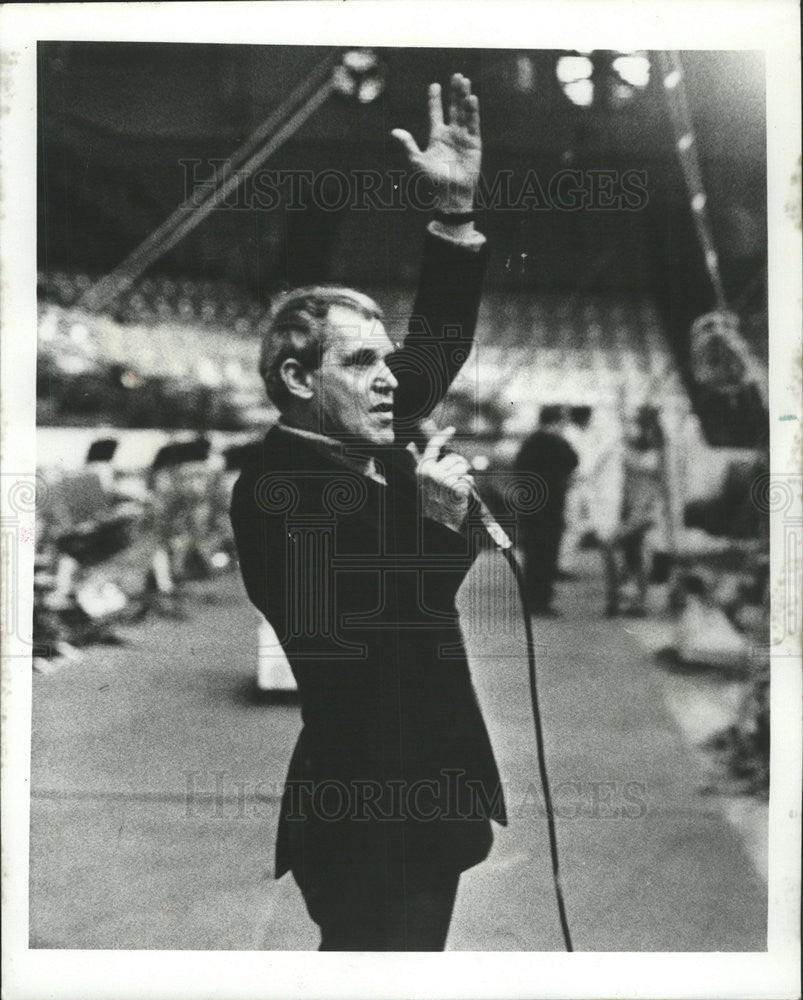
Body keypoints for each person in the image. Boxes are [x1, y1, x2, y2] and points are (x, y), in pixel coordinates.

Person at [230, 74, 506, 951]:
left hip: (426, 798)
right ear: (298, 379)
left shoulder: (367, 441)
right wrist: (432, 523)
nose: (390, 379)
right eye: (360, 363)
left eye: (385, 361)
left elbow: (431, 354)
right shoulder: (277, 491)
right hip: (368, 815)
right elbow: (369, 639)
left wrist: (455, 220)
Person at [513, 406, 579, 616]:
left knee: (533, 556)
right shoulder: (557, 443)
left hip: (531, 509)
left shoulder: (530, 442)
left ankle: (533, 599)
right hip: (551, 508)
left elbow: (518, 469)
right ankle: (541, 601)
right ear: (557, 421)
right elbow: (573, 460)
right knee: (547, 555)